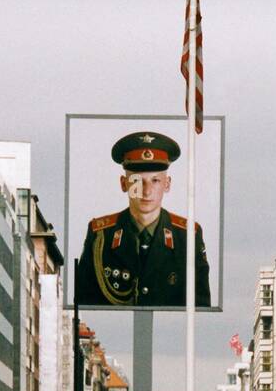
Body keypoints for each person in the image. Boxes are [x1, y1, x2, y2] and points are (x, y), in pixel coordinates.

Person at [74, 131, 211, 308]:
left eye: (155, 181)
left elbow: (200, 307)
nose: (146, 191)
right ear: (124, 184)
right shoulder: (101, 235)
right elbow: (84, 303)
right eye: (137, 181)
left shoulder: (187, 236)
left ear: (167, 184)